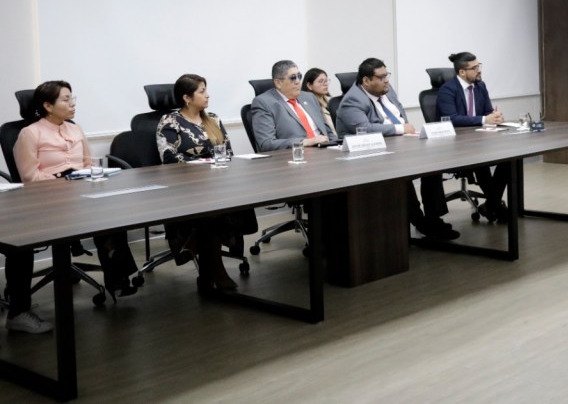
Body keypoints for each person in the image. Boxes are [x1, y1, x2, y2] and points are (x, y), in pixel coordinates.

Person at [8, 81, 138, 333]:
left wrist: (92, 175)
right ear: (48, 106)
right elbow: (30, 177)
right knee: (20, 241)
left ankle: (117, 280)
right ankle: (19, 311)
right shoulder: (30, 133)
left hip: (79, 197)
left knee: (112, 214)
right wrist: (63, 179)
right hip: (44, 201)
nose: (72, 103)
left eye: (72, 98)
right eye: (65, 99)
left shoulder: (75, 129)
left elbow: (89, 163)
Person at [156, 74, 258, 292]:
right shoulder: (170, 122)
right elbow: (168, 157)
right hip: (185, 186)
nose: (208, 95)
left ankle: (194, 244)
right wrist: (204, 164)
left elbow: (227, 152)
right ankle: (217, 272)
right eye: (202, 91)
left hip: (217, 182)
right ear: (187, 98)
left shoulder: (213, 118)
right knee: (210, 213)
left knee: (238, 198)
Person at [337, 57, 457, 240]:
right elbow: (364, 128)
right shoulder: (352, 100)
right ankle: (419, 221)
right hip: (368, 156)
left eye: (387, 75)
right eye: (381, 77)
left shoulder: (386, 89)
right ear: (366, 81)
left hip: (398, 145)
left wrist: (406, 132)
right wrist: (400, 129)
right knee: (401, 171)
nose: (386, 80)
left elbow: (400, 115)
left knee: (432, 164)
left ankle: (433, 218)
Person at [434, 52, 511, 223]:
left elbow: (488, 112)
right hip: (454, 144)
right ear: (462, 72)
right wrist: (484, 119)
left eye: (479, 66)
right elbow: (451, 119)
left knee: (509, 159)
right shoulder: (447, 90)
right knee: (481, 163)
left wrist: (495, 116)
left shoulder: (480, 86)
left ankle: (491, 204)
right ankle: (496, 206)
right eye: (475, 68)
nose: (479, 70)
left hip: (479, 140)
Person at [251, 60, 336, 151]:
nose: (298, 81)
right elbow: (266, 143)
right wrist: (305, 142)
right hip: (296, 155)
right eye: (293, 78)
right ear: (278, 83)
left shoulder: (309, 97)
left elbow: (327, 131)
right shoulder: (264, 103)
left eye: (299, 76)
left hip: (324, 151)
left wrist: (338, 145)